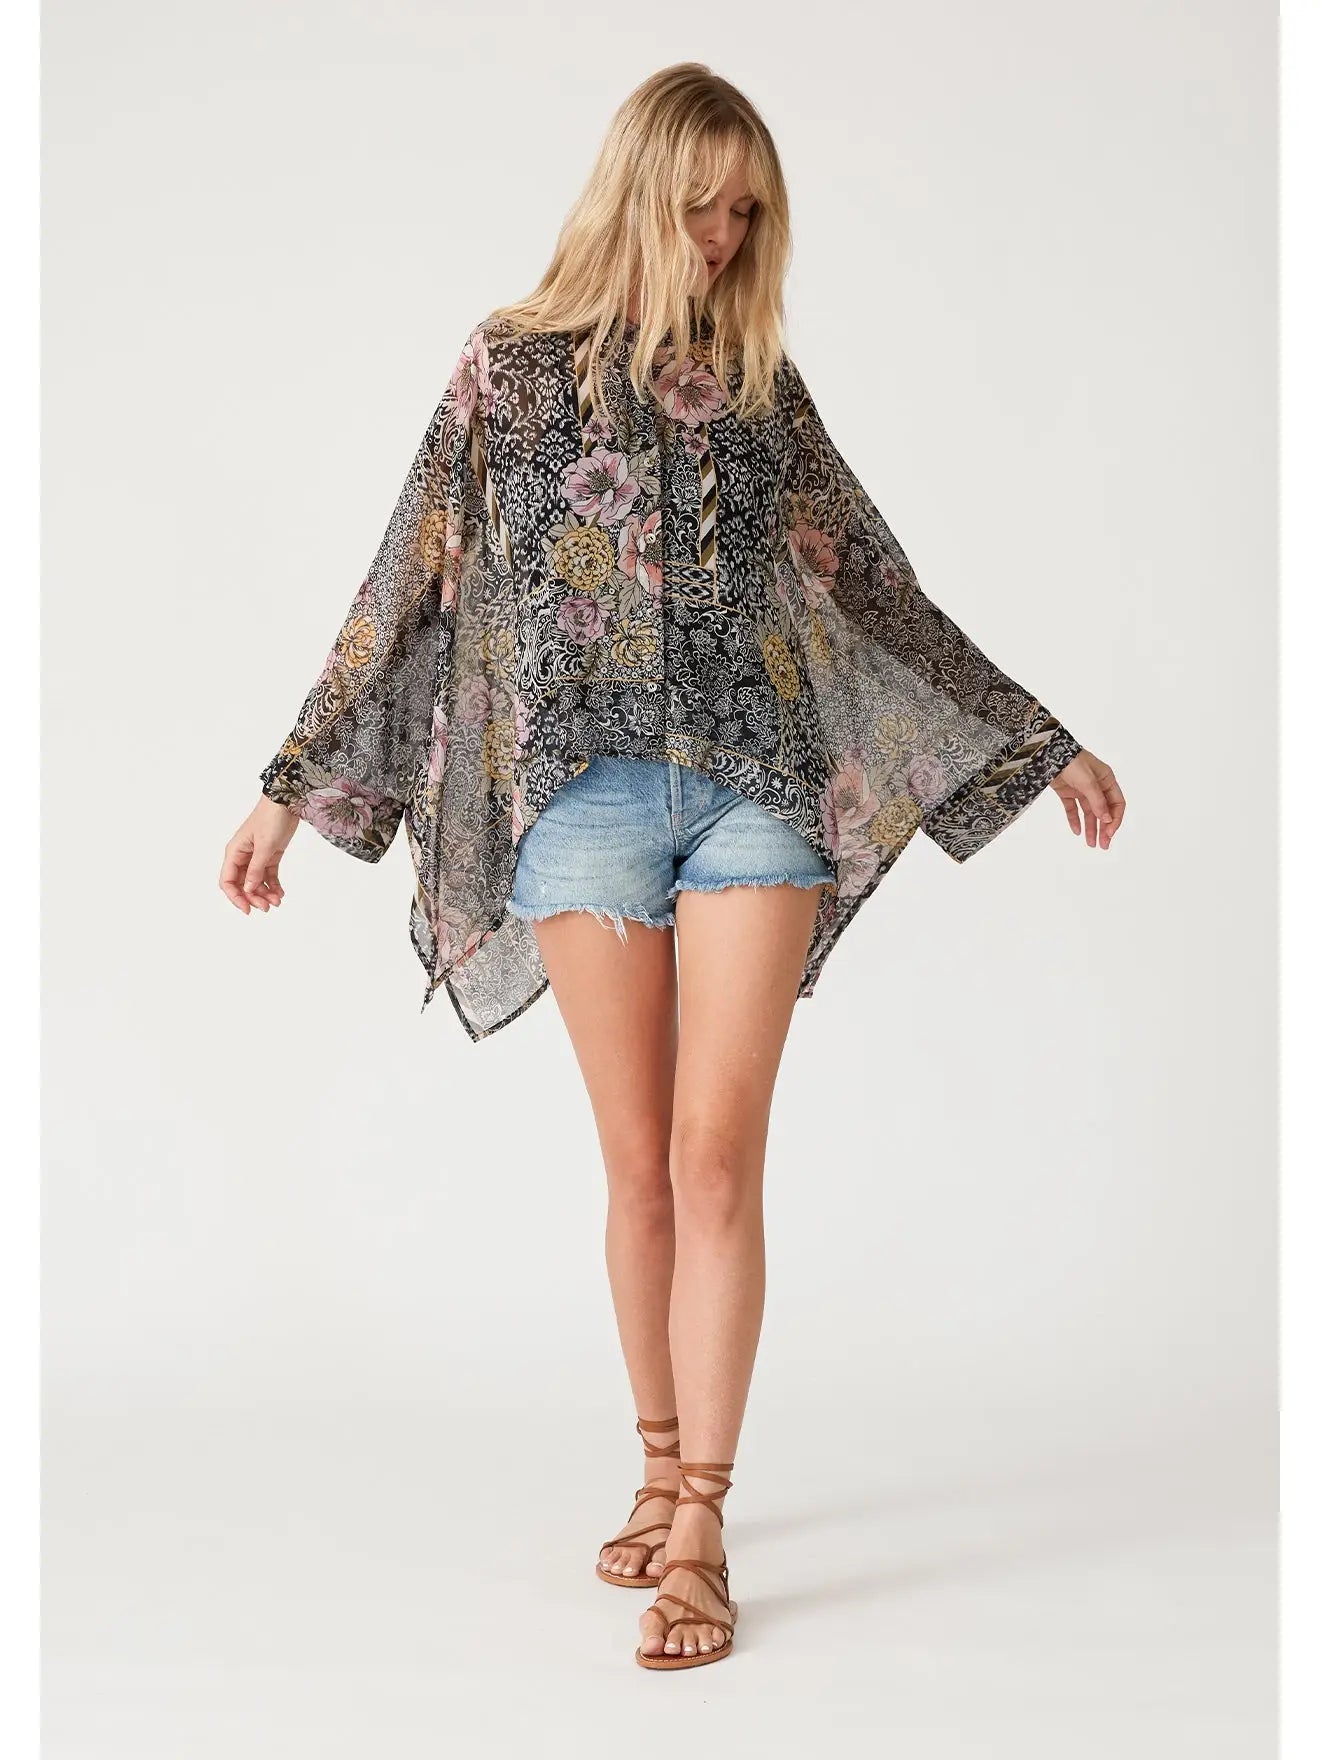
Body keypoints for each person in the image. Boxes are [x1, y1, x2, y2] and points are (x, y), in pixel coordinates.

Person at [219, 63, 1125, 1671]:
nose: (722, 238)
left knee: (715, 1161)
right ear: (639, 192)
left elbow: (876, 581)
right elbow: (404, 578)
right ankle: (653, 1461)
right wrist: (287, 790)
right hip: (581, 805)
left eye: (747, 213)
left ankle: (702, 1514)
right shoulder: (506, 369)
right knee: (637, 1165)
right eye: (702, 207)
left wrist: (1038, 737)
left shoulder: (759, 383)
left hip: (755, 796)